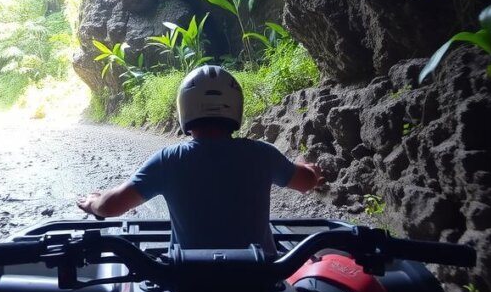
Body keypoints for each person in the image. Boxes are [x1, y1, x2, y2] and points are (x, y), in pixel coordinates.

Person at [77, 65, 323, 252]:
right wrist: (308, 169)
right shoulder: (263, 154)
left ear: (186, 109)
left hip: (191, 282)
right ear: (235, 109)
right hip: (257, 281)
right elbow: (306, 182)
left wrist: (93, 203)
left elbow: (110, 206)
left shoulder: (168, 160)